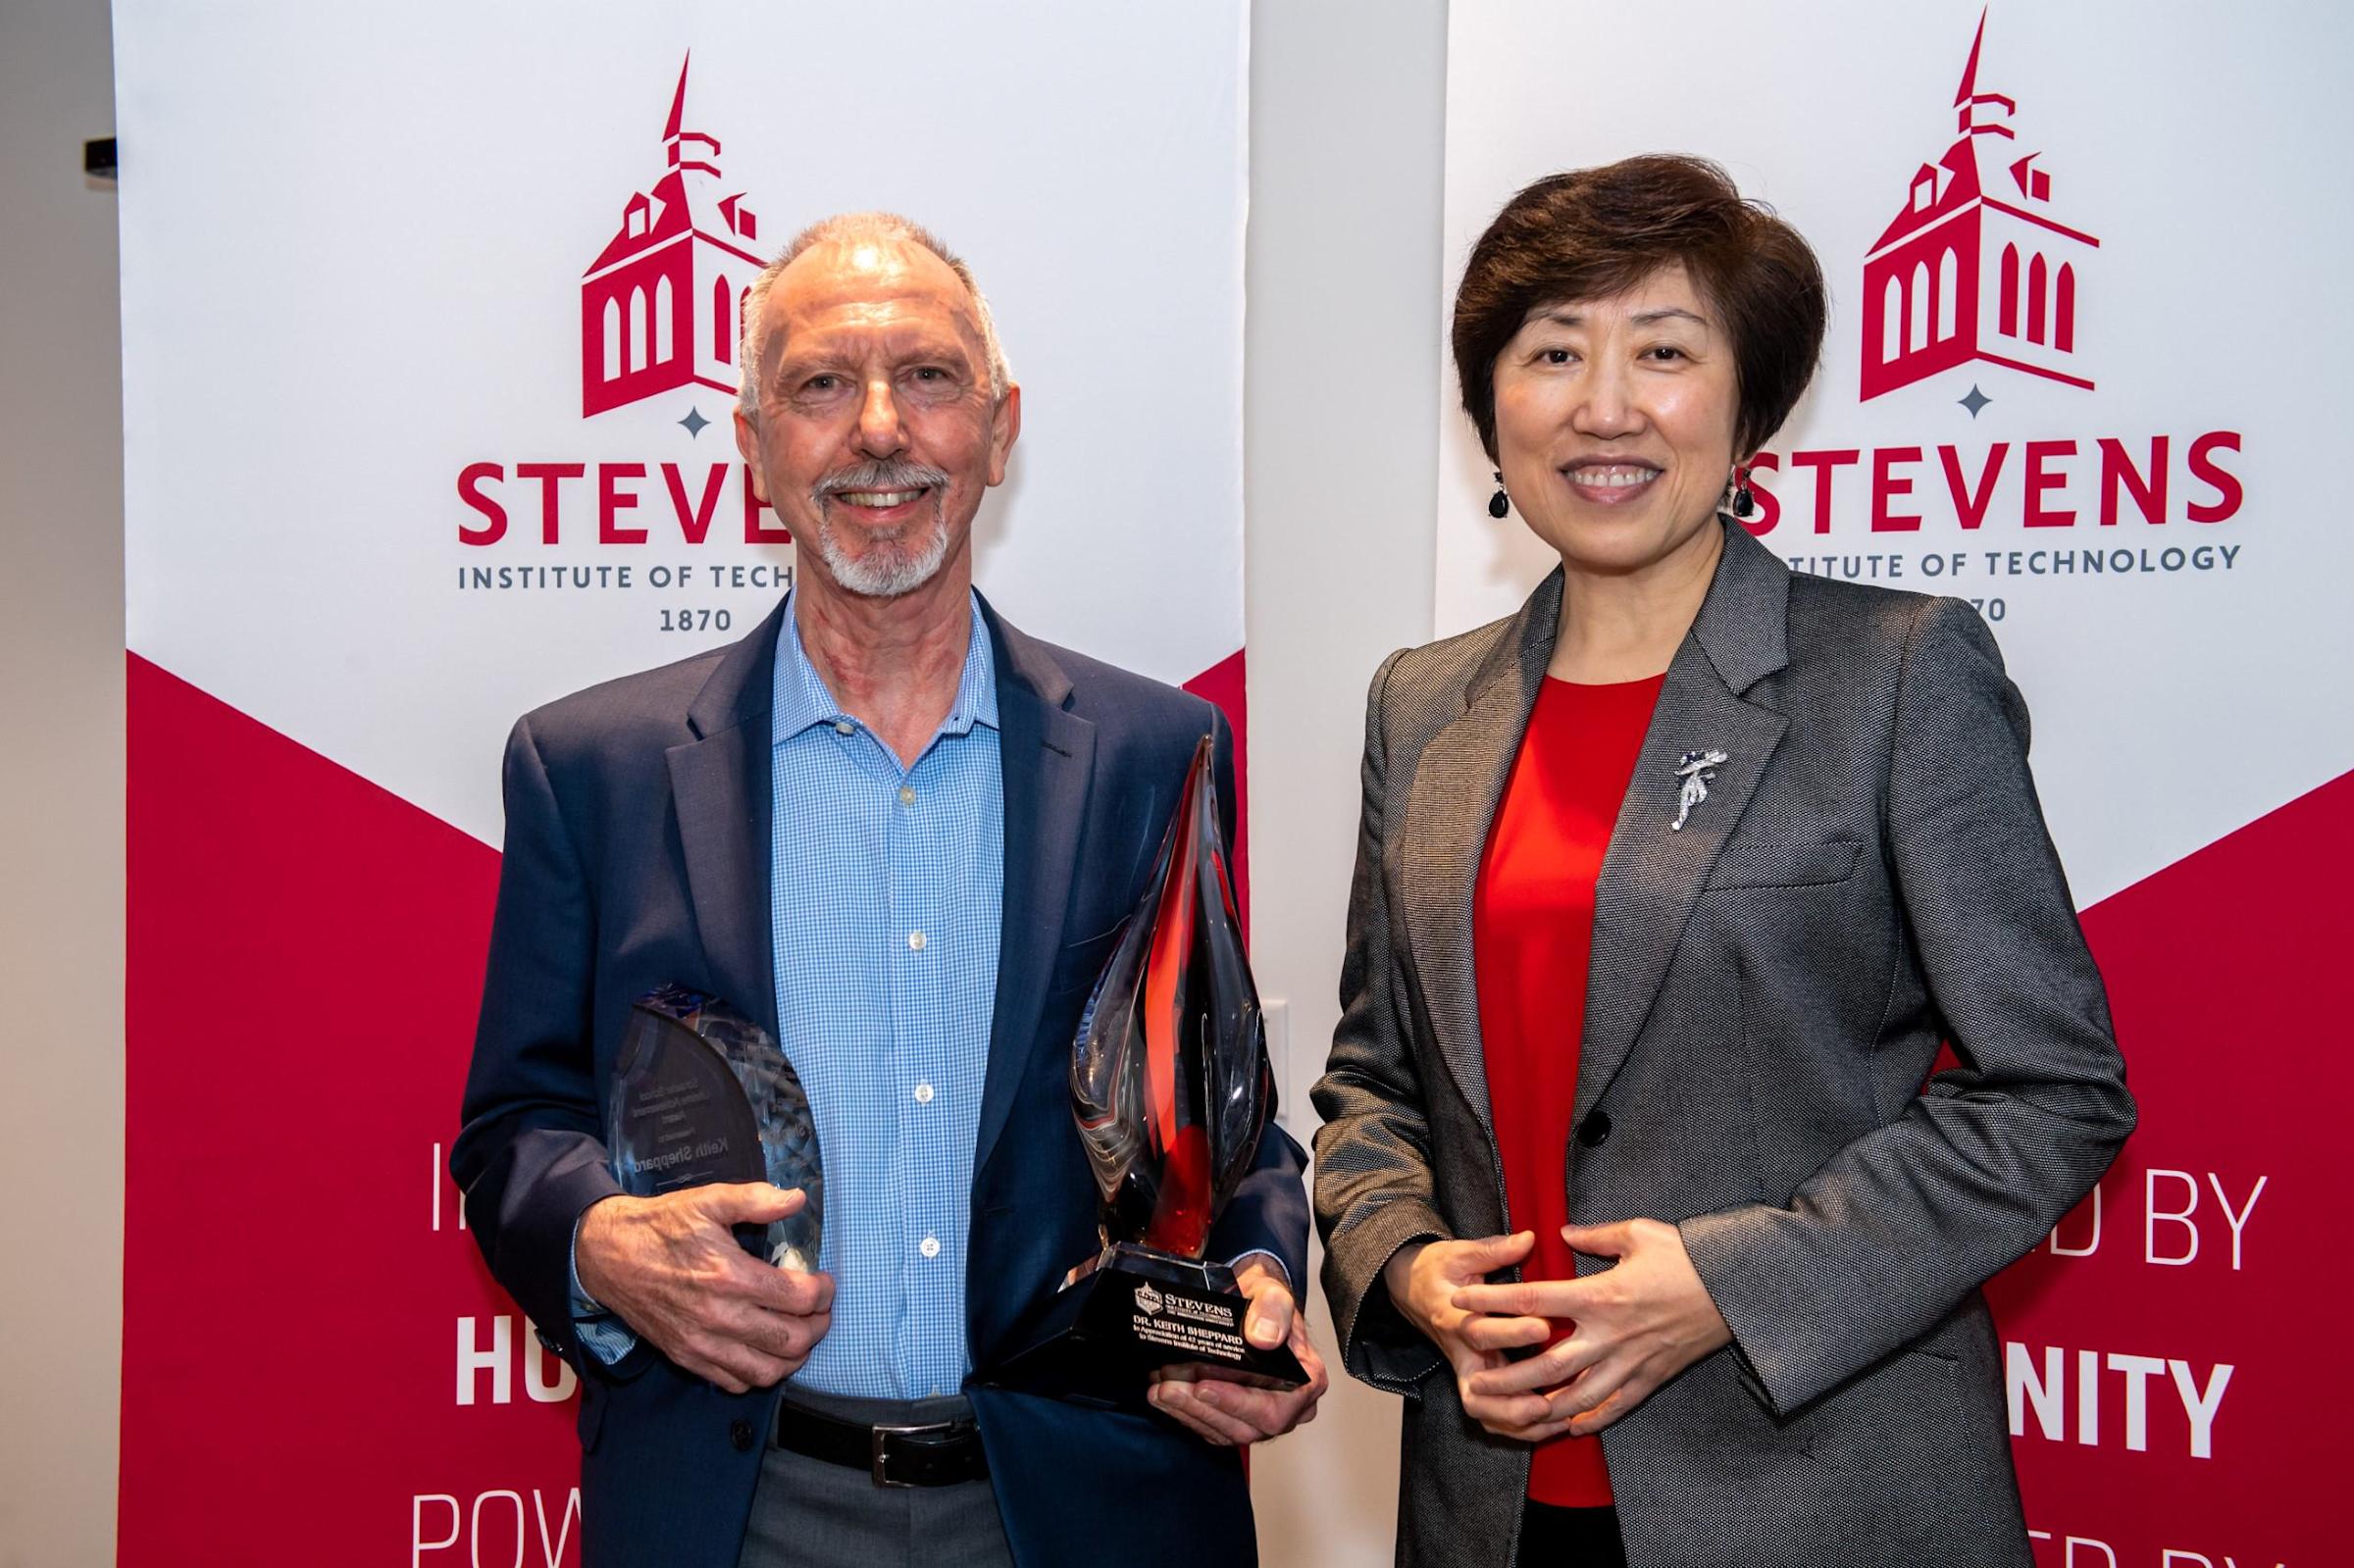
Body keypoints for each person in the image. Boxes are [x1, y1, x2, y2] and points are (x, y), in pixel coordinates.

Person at [453, 212, 1325, 1568]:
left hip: (1087, 1503)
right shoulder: (591, 768)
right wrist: (599, 1244)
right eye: (819, 385)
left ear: (997, 426)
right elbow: (517, 1124)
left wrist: (1257, 1277)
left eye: (926, 378)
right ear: (752, 448)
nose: (878, 430)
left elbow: (1224, 1121)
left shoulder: (1162, 753)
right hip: (737, 1509)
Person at [1310, 156, 2133, 1567]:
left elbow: (2054, 1096)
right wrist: (1407, 1266)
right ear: (1489, 406)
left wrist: (1730, 1285)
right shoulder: (1421, 703)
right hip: (1491, 1499)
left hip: (1815, 1490)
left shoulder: (1894, 675)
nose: (1604, 405)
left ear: (1749, 407)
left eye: (1665, 353)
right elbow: (1375, 1080)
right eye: (1554, 351)